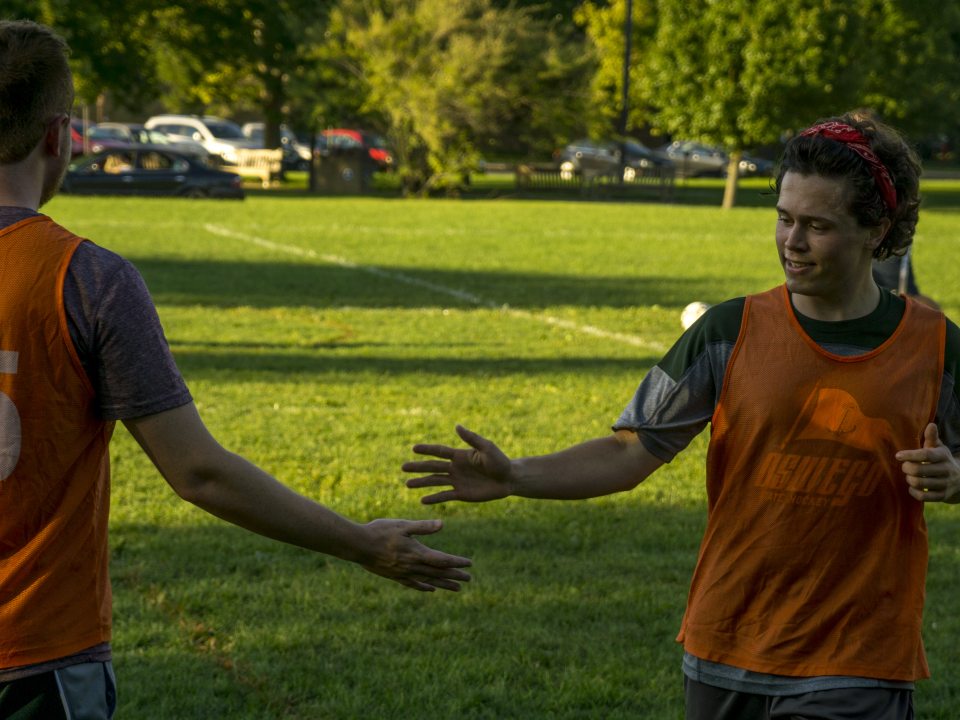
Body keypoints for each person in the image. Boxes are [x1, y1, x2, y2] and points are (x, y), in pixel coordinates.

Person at [404, 111, 960, 720]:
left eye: (817, 226)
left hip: (858, 659)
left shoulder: (933, 345)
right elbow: (627, 451)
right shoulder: (727, 332)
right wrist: (516, 478)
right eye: (783, 218)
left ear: (876, 230)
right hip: (727, 640)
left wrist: (954, 476)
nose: (791, 243)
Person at [0, 19, 470, 719]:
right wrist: (361, 544)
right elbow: (199, 473)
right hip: (36, 656)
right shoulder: (85, 278)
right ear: (59, 134)